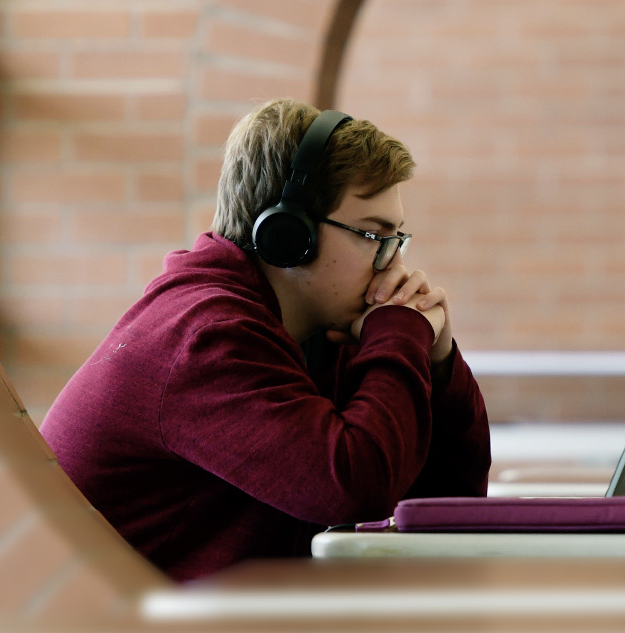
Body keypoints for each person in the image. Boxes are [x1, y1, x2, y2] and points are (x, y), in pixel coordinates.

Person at [38, 99, 490, 582]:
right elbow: (353, 486)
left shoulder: (314, 335)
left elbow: (447, 502)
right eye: (371, 235)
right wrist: (401, 333)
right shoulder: (205, 335)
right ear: (286, 236)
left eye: (396, 239)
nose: (393, 267)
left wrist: (438, 363)